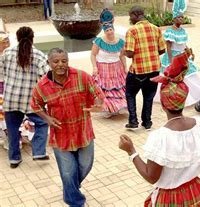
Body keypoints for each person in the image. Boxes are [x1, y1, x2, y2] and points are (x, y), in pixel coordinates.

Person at [119, 51, 200, 207]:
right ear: (183, 100)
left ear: (163, 105)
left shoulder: (160, 137)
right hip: (196, 191)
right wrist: (191, 161)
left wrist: (131, 151)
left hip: (170, 199)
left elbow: (151, 177)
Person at [30, 48, 105, 206]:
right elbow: (35, 104)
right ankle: (75, 201)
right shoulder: (42, 85)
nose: (60, 64)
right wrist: (47, 118)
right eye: (56, 61)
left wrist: (98, 104)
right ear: (49, 63)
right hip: (60, 135)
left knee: (85, 165)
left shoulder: (81, 76)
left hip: (83, 130)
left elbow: (98, 93)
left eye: (64, 61)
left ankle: (70, 188)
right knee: (67, 171)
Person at [0, 27, 50, 168]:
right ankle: (38, 152)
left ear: (17, 37)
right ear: (32, 38)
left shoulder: (7, 53)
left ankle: (14, 159)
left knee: (12, 129)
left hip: (10, 99)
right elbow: (45, 78)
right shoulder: (39, 55)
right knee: (42, 123)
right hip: (31, 101)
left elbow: (1, 73)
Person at [154, 0, 200, 107]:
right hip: (174, 56)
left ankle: (192, 95)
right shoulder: (169, 31)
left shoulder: (183, 30)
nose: (181, 19)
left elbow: (184, 43)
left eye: (182, 17)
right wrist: (171, 60)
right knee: (174, 77)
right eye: (178, 17)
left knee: (188, 74)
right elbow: (168, 46)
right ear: (174, 19)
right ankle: (173, 96)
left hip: (183, 55)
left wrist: (190, 51)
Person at [124, 6, 166, 130]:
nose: (129, 18)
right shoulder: (156, 29)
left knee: (130, 94)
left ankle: (133, 121)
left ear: (136, 15)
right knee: (149, 96)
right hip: (154, 70)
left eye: (130, 15)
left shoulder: (132, 31)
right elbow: (162, 49)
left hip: (138, 70)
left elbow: (130, 53)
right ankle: (147, 122)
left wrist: (125, 52)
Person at [91, 9, 127, 118]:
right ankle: (107, 108)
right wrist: (94, 67)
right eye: (107, 30)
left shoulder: (120, 42)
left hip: (116, 69)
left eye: (111, 29)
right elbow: (93, 55)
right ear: (104, 31)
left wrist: (125, 67)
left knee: (117, 88)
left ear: (113, 29)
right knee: (105, 90)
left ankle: (118, 107)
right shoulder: (99, 41)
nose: (110, 32)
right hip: (103, 68)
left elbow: (122, 56)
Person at [0, 31, 9, 150]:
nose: (7, 43)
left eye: (8, 41)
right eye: (4, 42)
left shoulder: (10, 55)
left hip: (8, 87)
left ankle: (11, 139)